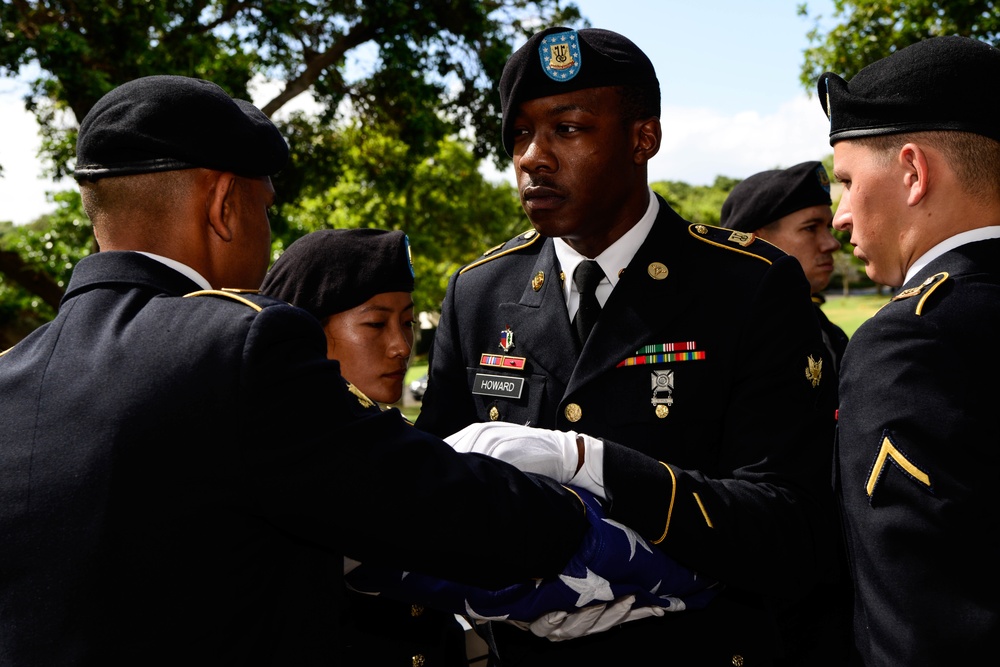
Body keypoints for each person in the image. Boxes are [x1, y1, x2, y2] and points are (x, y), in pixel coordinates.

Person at [0, 74, 647, 665]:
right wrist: (592, 524)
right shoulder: (235, 345)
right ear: (224, 205)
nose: (264, 230)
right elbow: (433, 501)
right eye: (265, 207)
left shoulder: (13, 377)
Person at [417, 27, 840, 666]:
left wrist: (596, 465)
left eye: (567, 129)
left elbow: (792, 528)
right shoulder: (479, 293)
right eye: (520, 134)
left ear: (645, 138)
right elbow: (436, 497)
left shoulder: (746, 285)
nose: (532, 156)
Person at [819, 35, 1000, 665]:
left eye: (845, 181)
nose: (840, 215)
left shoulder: (912, 341)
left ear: (913, 171)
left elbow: (919, 623)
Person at [260, 228, 468, 666]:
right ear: (306, 333)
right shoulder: (284, 462)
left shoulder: (394, 440)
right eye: (375, 324)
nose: (401, 346)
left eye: (407, 322)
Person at [721, 161, 850, 370]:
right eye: (810, 228)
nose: (832, 243)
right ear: (755, 242)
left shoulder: (828, 334)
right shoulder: (722, 338)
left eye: (828, 227)